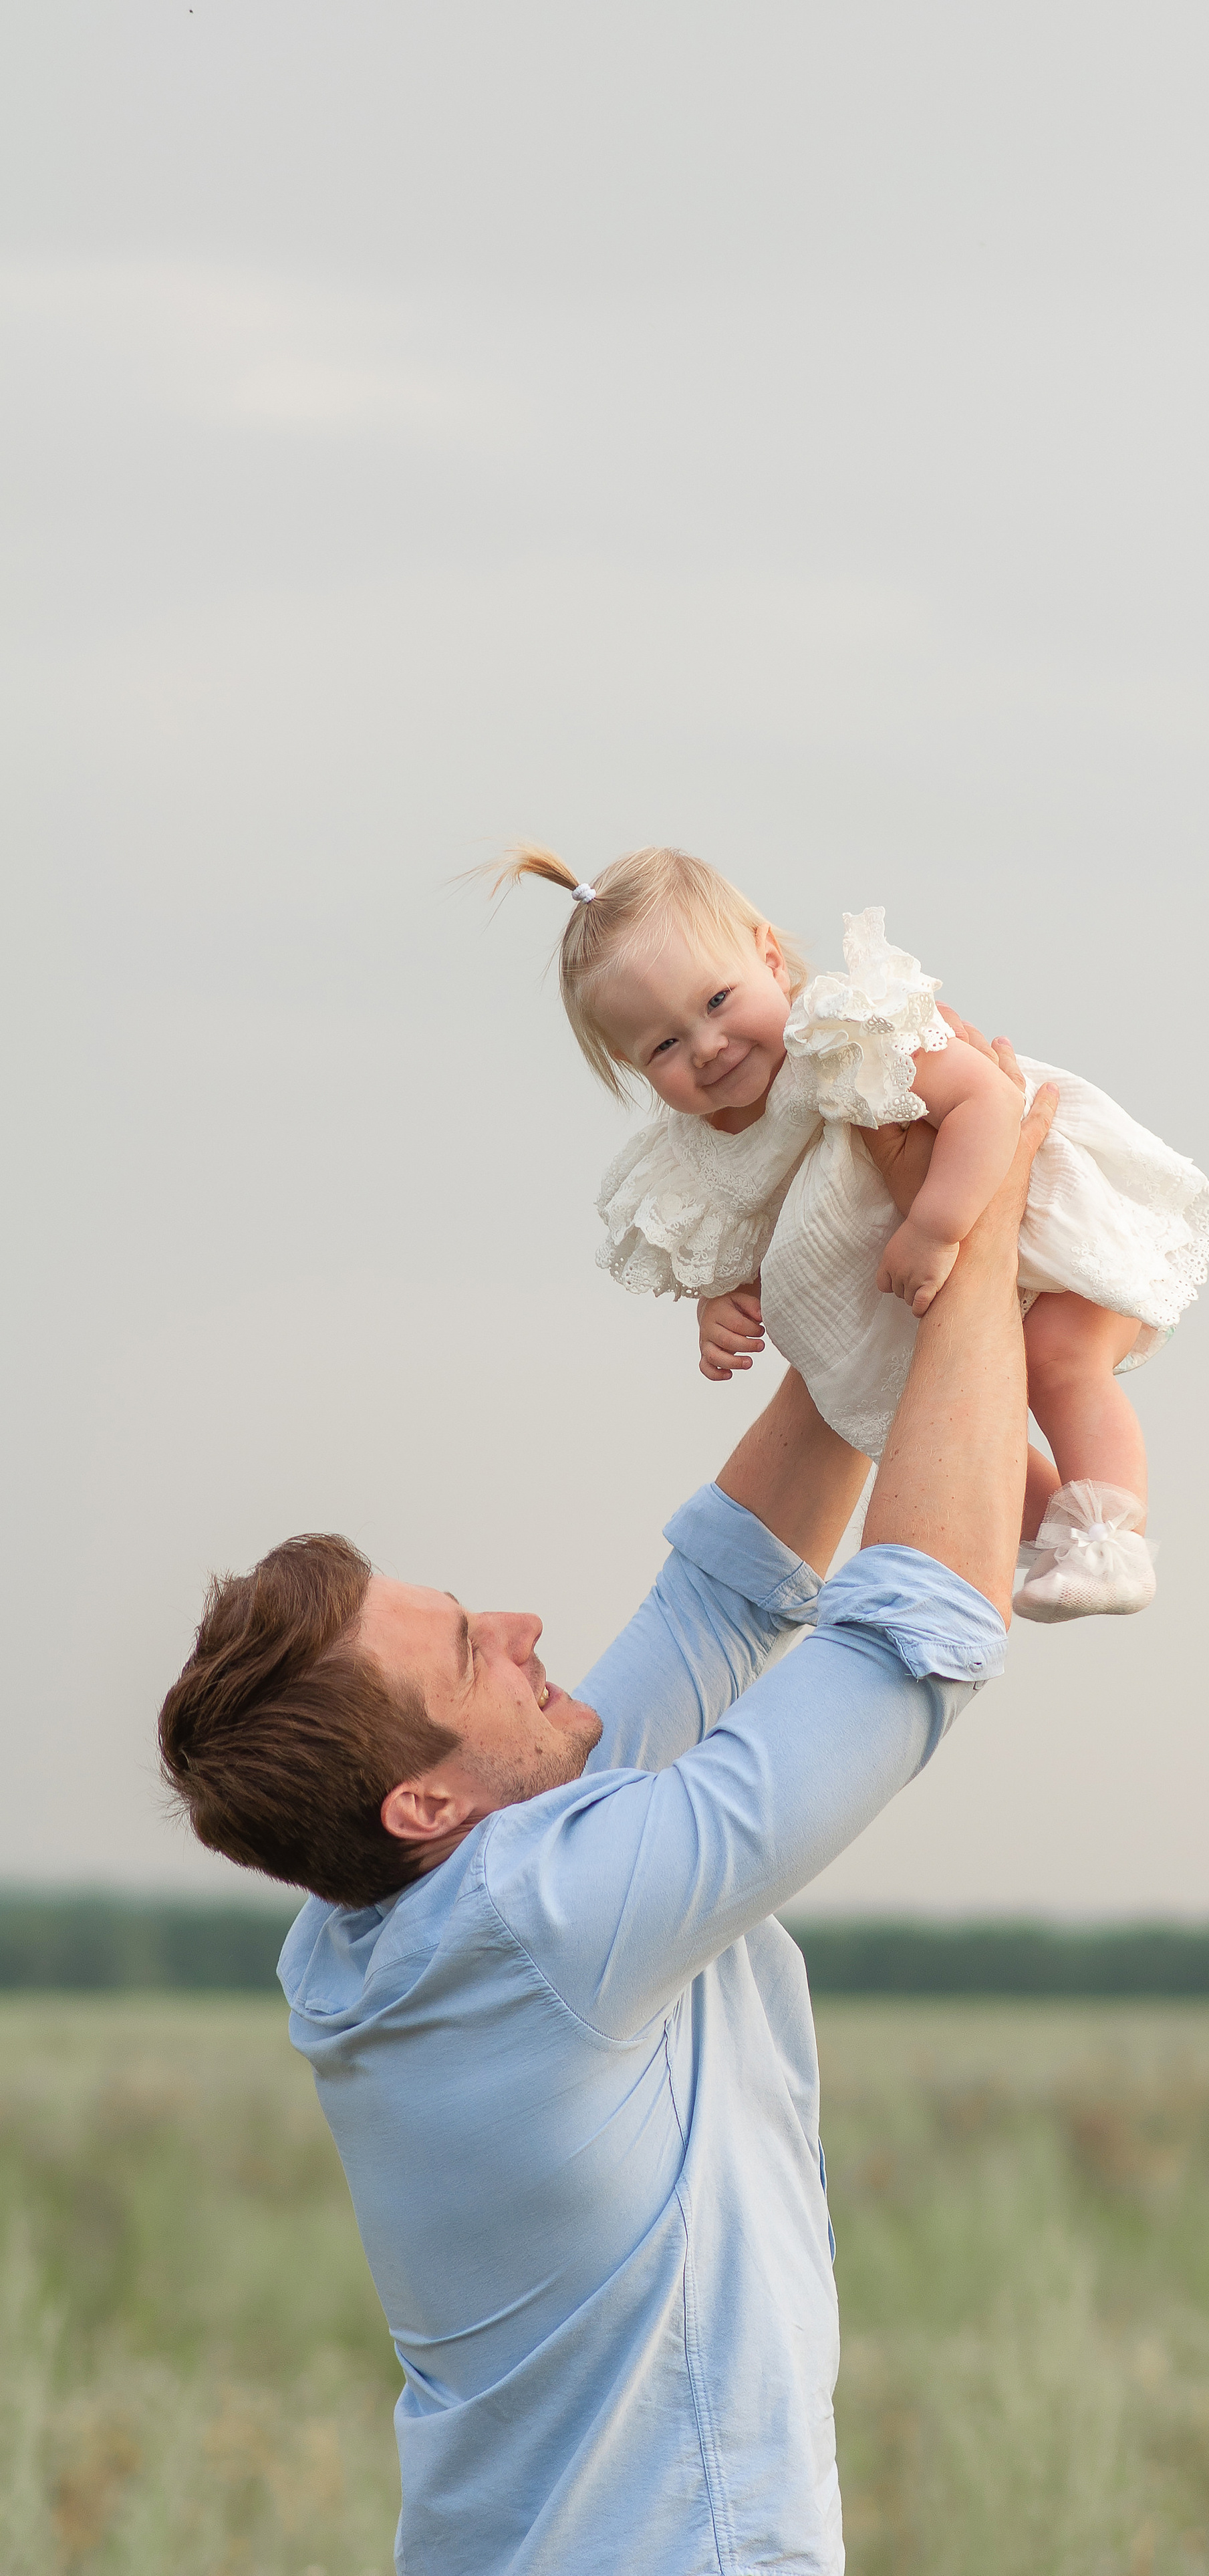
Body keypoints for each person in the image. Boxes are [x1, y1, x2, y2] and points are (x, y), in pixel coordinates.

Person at [156, 1044, 1055, 2576]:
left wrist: (848, 1251)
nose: (515, 1621)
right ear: (426, 1794)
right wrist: (974, 1230)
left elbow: (721, 1592)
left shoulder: (375, 1918)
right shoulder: (540, 1912)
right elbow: (913, 1635)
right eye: (463, 1649)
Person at [485, 844, 1209, 1622]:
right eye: (664, 1045)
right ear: (632, 1066)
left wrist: (938, 1228)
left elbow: (988, 1103)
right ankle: (1061, 1543)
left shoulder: (845, 1035)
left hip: (1055, 1223)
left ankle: (1115, 1539)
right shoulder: (700, 1153)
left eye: (714, 1001)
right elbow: (741, 1233)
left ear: (768, 957)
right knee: (944, 1431)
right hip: (934, 1295)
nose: (705, 1047)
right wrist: (722, 1304)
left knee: (1056, 1359)